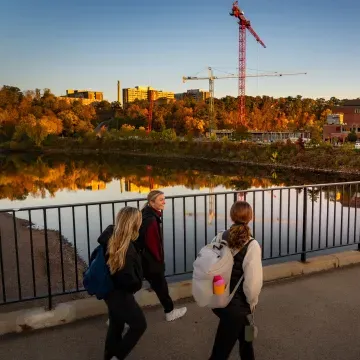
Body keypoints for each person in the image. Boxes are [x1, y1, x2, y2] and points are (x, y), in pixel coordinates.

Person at [209, 201, 263, 360]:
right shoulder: (252, 245)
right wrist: (252, 302)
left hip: (218, 298)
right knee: (219, 353)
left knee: (245, 338)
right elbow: (252, 284)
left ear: (231, 216)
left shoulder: (219, 236)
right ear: (250, 217)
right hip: (235, 306)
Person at [96, 206, 146, 360]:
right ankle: (117, 356)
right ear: (134, 223)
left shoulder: (110, 237)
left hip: (108, 291)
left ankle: (109, 355)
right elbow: (128, 280)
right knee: (139, 325)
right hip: (120, 294)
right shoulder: (127, 250)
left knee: (116, 323)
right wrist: (137, 283)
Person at [136, 190, 187, 322]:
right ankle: (170, 312)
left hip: (141, 258)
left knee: (131, 287)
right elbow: (153, 245)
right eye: (161, 200)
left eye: (164, 199)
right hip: (150, 260)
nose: (164, 202)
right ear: (151, 202)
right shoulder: (152, 220)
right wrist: (160, 262)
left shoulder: (145, 214)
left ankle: (116, 317)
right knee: (161, 286)